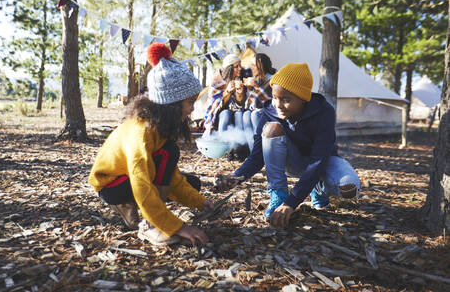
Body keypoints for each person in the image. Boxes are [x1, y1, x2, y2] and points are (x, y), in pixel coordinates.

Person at [88, 43, 214, 246]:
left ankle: (137, 210)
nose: (192, 109)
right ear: (172, 103)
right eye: (190, 102)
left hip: (132, 178)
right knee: (168, 154)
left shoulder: (160, 127)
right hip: (112, 185)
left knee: (187, 177)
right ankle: (149, 225)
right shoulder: (142, 132)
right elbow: (141, 183)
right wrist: (176, 227)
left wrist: (200, 203)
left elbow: (172, 177)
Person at [215, 63, 360, 228]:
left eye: (286, 100)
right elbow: (257, 156)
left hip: (323, 162)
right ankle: (278, 195)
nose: (278, 104)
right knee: (271, 129)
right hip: (293, 161)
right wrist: (236, 177)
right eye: (275, 97)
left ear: (303, 98)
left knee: (350, 187)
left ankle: (318, 189)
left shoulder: (323, 111)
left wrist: (292, 203)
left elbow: (319, 160)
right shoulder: (270, 112)